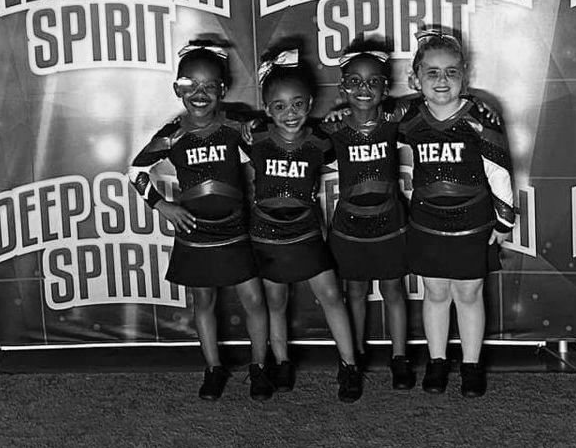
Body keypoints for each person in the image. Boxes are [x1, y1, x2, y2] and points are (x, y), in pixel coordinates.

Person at [127, 39, 273, 402]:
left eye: (209, 86)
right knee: (203, 303)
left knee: (254, 300)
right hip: (195, 233)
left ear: (222, 89)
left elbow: (272, 152)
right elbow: (136, 171)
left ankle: (259, 366)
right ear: (177, 88)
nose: (200, 93)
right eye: (190, 85)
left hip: (236, 229)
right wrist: (163, 205)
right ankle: (213, 367)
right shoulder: (173, 134)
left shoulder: (236, 126)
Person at [398, 26, 515, 397]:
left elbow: (499, 170)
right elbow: (368, 128)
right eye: (431, 73)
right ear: (415, 78)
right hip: (428, 222)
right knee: (434, 293)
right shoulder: (409, 118)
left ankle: (471, 364)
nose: (442, 80)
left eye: (451, 71)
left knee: (469, 293)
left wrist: (505, 219)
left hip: (471, 222)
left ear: (465, 75)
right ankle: (436, 361)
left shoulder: (480, 117)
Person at [246, 44, 364, 402]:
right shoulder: (256, 139)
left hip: (306, 232)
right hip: (265, 234)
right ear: (268, 110)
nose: (290, 113)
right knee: (275, 300)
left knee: (331, 295)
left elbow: (355, 133)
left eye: (298, 104)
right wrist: (246, 124)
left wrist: (342, 116)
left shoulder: (318, 141)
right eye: (279, 107)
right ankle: (279, 362)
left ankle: (349, 366)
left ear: (310, 103)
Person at [320, 39, 414, 389]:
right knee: (355, 293)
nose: (364, 89)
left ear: (385, 86)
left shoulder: (392, 120)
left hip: (390, 223)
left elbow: (435, 108)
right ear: (342, 86)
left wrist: (477, 108)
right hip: (349, 228)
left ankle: (400, 358)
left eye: (373, 81)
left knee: (393, 290)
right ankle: (354, 357)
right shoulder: (334, 127)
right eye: (355, 82)